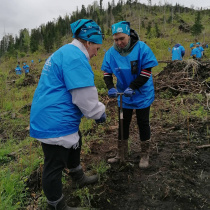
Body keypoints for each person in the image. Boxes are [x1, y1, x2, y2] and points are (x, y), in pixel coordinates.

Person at [30, 19, 106, 210]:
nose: (97, 53)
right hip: (54, 119)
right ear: (88, 42)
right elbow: (84, 96)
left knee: (75, 141)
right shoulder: (75, 58)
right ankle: (56, 205)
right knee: (54, 164)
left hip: (51, 112)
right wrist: (99, 113)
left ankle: (77, 176)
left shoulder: (66, 51)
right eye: (96, 48)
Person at [101, 21, 158, 168]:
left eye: (122, 39)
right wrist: (110, 87)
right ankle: (121, 153)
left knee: (142, 122)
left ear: (128, 35)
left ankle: (145, 154)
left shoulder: (142, 48)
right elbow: (107, 72)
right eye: (116, 39)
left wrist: (133, 86)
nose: (119, 42)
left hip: (142, 92)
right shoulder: (111, 53)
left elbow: (146, 72)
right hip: (123, 94)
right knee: (123, 122)